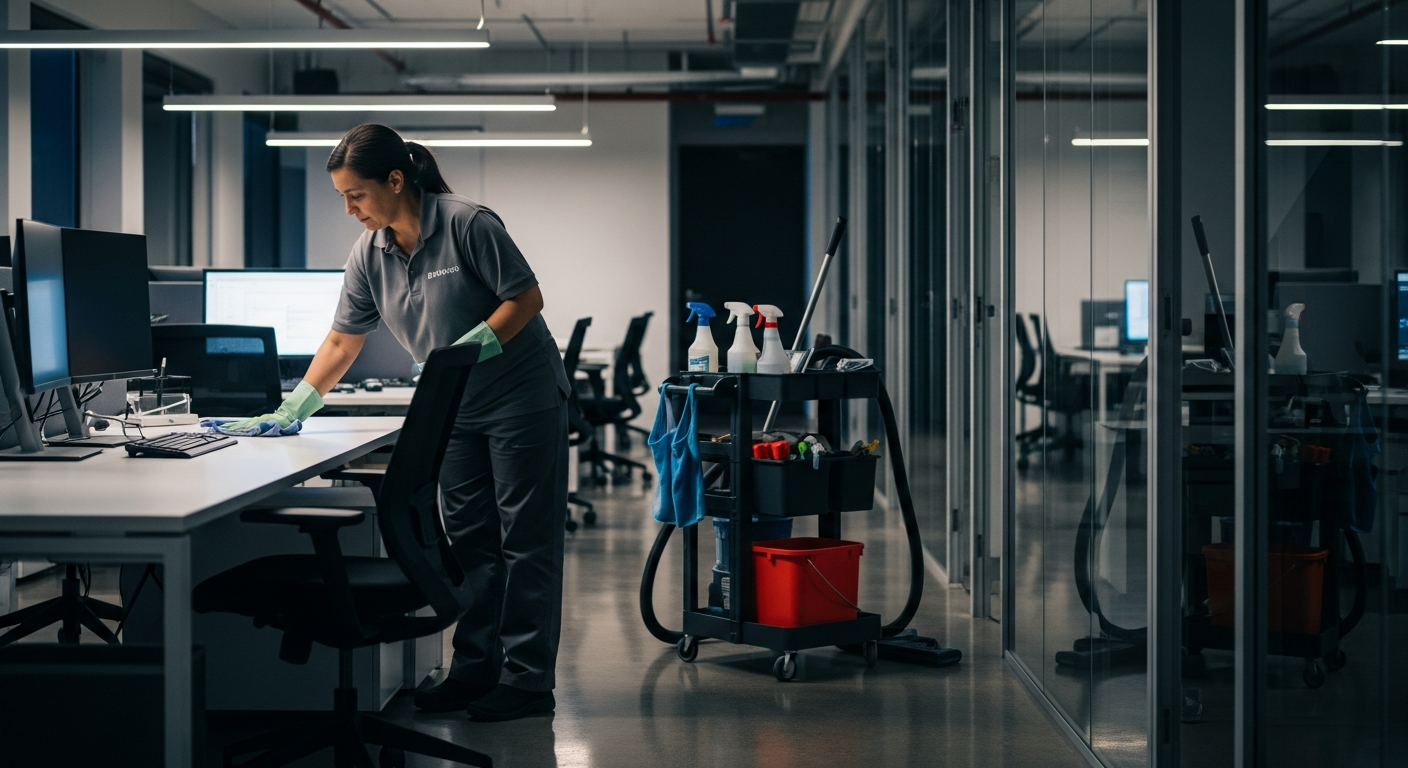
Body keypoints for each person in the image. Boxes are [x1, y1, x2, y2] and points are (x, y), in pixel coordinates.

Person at [220, 123, 570, 722]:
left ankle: (528, 680)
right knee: (470, 545)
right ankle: (473, 668)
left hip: (521, 399)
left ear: (396, 179)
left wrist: (468, 349)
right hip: (455, 409)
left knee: (524, 543)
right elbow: (342, 338)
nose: (350, 208)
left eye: (356, 194)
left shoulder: (466, 222)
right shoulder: (370, 252)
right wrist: (296, 404)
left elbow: (527, 298)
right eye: (342, 198)